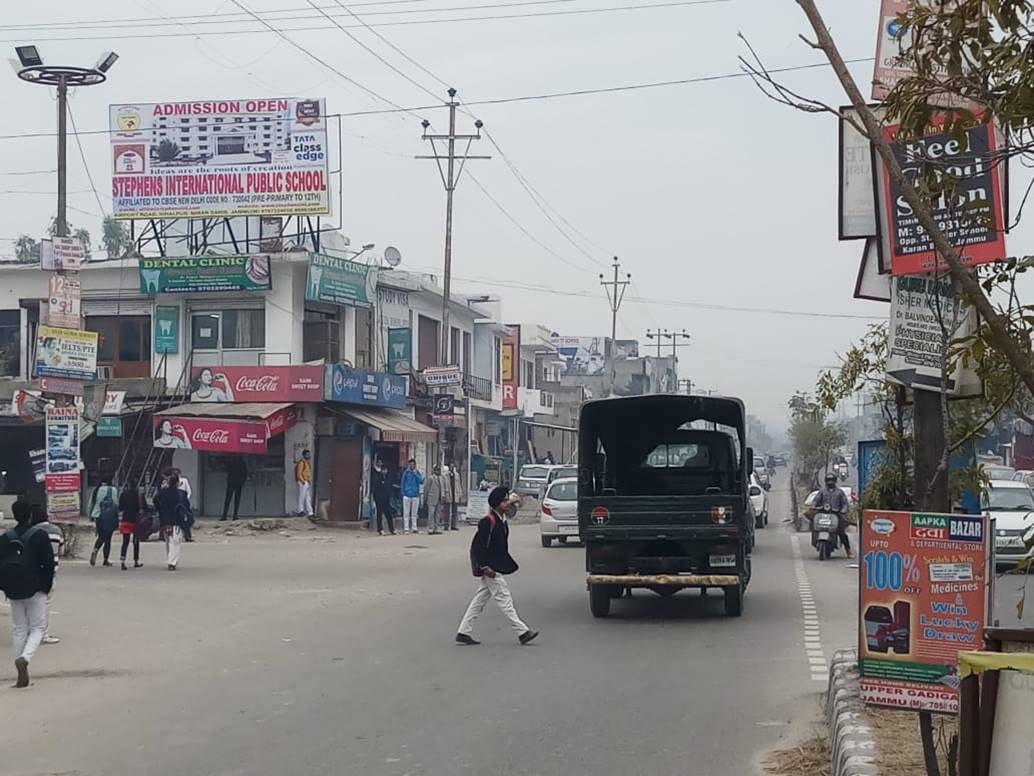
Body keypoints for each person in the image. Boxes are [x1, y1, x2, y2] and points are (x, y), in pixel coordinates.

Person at [455, 486, 538, 646]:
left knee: (479, 601)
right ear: (497, 504)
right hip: (491, 568)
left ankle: (463, 631)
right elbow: (478, 547)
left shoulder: (502, 520)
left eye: (507, 500)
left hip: (495, 566)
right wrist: (485, 566)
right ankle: (522, 632)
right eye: (505, 501)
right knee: (504, 599)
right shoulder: (488, 521)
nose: (508, 503)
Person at [0, 499, 56, 687]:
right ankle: (25, 659)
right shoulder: (39, 535)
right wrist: (46, 586)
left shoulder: (5, 537)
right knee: (38, 628)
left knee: (18, 628)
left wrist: (5, 586)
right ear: (30, 515)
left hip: (14, 589)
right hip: (36, 587)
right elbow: (48, 563)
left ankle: (20, 672)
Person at [30, 504, 62, 646]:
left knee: (31, 603)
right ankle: (44, 633)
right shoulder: (57, 530)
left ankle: (31, 631)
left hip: (33, 572)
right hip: (51, 572)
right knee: (46, 604)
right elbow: (61, 549)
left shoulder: (30, 532)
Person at [812, 473, 853, 559]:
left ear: (835, 481)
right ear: (825, 482)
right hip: (823, 513)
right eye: (828, 481)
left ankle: (848, 550)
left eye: (832, 480)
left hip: (836, 514)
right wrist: (814, 505)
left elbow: (845, 503)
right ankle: (815, 540)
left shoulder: (840, 492)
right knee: (815, 526)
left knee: (842, 533)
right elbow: (816, 500)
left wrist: (843, 510)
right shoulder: (822, 491)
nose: (830, 482)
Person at [155, 473, 190, 570]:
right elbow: (186, 506)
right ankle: (172, 562)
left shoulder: (163, 492)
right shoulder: (182, 493)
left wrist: (161, 509)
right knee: (176, 541)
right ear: (178, 483)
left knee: (169, 540)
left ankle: (170, 559)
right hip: (177, 520)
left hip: (165, 520)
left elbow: (155, 500)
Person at [88, 475, 120, 567]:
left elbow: (91, 503)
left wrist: (90, 515)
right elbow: (116, 504)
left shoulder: (97, 489)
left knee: (101, 536)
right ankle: (105, 560)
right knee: (108, 539)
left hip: (98, 516)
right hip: (109, 517)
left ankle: (95, 550)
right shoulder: (113, 490)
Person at [118, 485, 144, 570]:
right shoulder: (140, 495)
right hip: (136, 521)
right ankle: (136, 561)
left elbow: (120, 507)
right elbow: (144, 507)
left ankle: (123, 561)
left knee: (125, 542)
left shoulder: (124, 494)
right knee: (136, 541)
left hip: (126, 519)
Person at [372, 459, 395, 536]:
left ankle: (392, 529)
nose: (385, 471)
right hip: (379, 500)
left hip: (386, 500)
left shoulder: (388, 479)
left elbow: (389, 489)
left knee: (389, 515)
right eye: (383, 470)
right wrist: (376, 500)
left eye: (386, 470)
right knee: (379, 515)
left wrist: (390, 496)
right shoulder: (378, 479)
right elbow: (374, 490)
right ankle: (380, 529)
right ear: (381, 471)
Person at [400, 459, 424, 534]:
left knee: (414, 513)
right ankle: (406, 528)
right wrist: (403, 492)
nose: (412, 466)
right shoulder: (406, 473)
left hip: (415, 495)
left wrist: (415, 474)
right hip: (407, 495)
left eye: (413, 464)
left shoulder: (417, 472)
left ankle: (414, 527)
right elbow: (402, 483)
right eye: (411, 464)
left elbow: (421, 481)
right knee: (406, 513)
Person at [222, 455, 248, 521]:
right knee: (236, 500)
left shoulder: (231, 461)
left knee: (228, 499)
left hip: (231, 482)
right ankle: (235, 515)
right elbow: (245, 472)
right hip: (238, 482)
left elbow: (227, 469)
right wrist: (243, 481)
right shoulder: (242, 462)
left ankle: (224, 515)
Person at [425, 465, 444, 535]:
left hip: (439, 498)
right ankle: (430, 528)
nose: (438, 471)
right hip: (432, 498)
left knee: (437, 514)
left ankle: (436, 528)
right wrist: (425, 497)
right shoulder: (430, 478)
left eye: (439, 470)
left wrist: (442, 496)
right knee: (431, 514)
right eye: (437, 470)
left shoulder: (441, 478)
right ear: (434, 470)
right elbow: (426, 489)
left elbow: (442, 488)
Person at [294, 449, 314, 517]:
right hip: (303, 482)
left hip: (306, 481)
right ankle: (300, 510)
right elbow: (298, 473)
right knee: (302, 496)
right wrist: (303, 481)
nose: (308, 456)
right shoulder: (301, 463)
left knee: (308, 497)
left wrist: (308, 481)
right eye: (307, 454)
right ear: (304, 455)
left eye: (309, 454)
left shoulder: (306, 462)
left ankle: (310, 512)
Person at [442, 463, 460, 531]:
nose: (452, 467)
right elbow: (443, 486)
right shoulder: (445, 475)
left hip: (455, 494)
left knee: (454, 511)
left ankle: (453, 525)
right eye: (451, 466)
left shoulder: (457, 475)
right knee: (446, 511)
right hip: (448, 494)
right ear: (449, 467)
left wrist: (459, 494)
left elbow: (459, 485)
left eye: (453, 466)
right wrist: (443, 494)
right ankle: (446, 525)